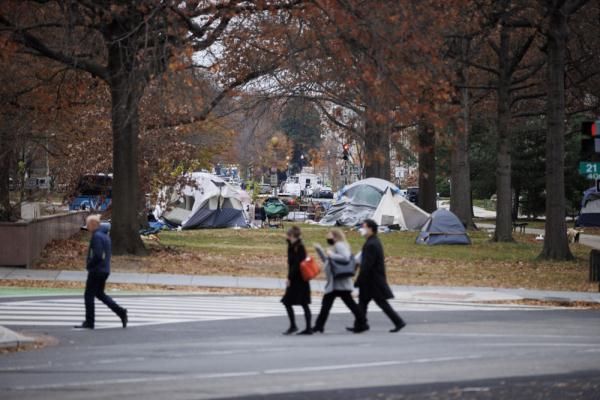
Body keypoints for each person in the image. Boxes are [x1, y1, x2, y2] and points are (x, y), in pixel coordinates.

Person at [349, 219, 406, 333]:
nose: (362, 230)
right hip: (372, 280)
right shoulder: (372, 241)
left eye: (364, 227)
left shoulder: (371, 244)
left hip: (372, 281)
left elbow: (367, 265)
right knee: (363, 303)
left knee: (380, 303)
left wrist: (359, 279)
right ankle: (360, 324)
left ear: (370, 229)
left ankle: (398, 322)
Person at [74, 215, 128, 330]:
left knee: (89, 295)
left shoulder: (97, 237)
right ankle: (121, 312)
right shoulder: (105, 236)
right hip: (104, 269)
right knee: (99, 294)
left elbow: (97, 255)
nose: (87, 227)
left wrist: (89, 265)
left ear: (93, 224)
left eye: (88, 224)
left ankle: (90, 321)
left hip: (97, 270)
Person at [313, 229, 367, 333]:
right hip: (336, 282)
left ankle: (319, 326)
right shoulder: (336, 246)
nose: (327, 237)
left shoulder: (340, 245)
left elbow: (346, 258)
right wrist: (320, 251)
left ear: (335, 236)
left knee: (330, 305)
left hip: (339, 282)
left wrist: (331, 254)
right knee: (331, 305)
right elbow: (328, 261)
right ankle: (319, 326)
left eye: (329, 235)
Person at [281, 226, 312, 335]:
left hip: (300, 280)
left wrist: (289, 278)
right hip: (296, 279)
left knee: (302, 303)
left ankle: (307, 327)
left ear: (293, 236)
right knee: (288, 302)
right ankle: (294, 325)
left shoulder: (299, 247)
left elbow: (297, 265)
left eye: (288, 235)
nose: (286, 237)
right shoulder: (292, 246)